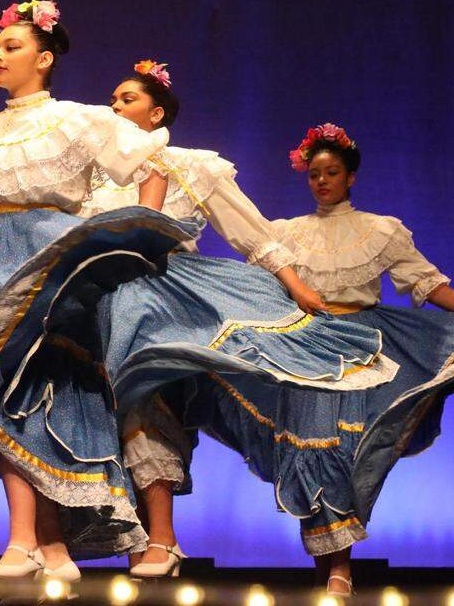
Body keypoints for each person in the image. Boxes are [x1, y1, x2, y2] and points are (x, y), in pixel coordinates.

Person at [0, 8, 390, 580]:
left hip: (58, 259)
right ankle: (37, 542)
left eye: (10, 45)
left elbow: (152, 167)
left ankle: (85, 540)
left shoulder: (80, 121)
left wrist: (142, 236)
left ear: (44, 56)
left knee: (65, 390)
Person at [179, 123, 454, 593]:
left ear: (350, 176)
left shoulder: (379, 230)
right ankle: (330, 566)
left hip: (362, 347)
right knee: (309, 445)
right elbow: (262, 280)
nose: (322, 181)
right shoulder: (285, 233)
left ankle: (338, 567)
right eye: (314, 174)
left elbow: (427, 283)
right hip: (305, 344)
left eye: (332, 172)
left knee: (343, 450)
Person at [80, 60, 323, 577]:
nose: (115, 107)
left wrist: (298, 288)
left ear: (157, 111)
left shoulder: (192, 165)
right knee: (102, 412)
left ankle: (163, 539)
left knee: (149, 402)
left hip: (167, 299)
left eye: (127, 99)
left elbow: (252, 234)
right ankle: (131, 537)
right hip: (98, 299)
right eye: (114, 99)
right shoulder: (94, 169)